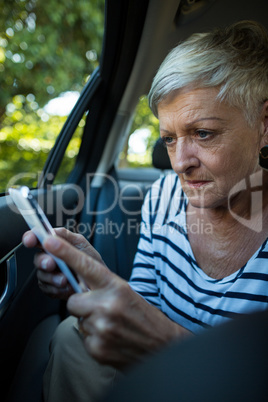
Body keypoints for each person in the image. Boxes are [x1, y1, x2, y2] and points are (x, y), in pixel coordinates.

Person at [23, 20, 268, 402]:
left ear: (264, 124)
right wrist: (99, 280)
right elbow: (145, 307)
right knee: (73, 338)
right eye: (169, 139)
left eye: (203, 133)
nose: (180, 163)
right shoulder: (163, 196)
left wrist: (169, 346)